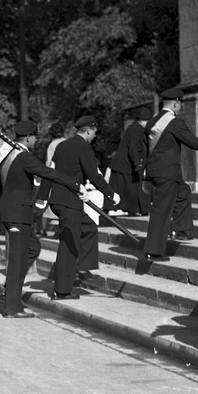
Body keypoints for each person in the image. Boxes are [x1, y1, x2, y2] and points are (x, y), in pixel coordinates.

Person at [0, 120, 94, 318]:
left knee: (32, 249)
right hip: (18, 214)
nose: (36, 140)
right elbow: (49, 173)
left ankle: (11, 288)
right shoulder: (23, 157)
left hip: (12, 212)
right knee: (18, 258)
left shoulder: (7, 156)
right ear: (28, 137)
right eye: (35, 137)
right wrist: (76, 185)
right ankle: (12, 307)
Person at [38, 115, 118, 300]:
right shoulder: (83, 147)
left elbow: (50, 171)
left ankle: (82, 268)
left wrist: (42, 197)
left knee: (89, 227)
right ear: (88, 130)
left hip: (59, 201)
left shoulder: (62, 146)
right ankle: (62, 290)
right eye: (94, 132)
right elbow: (94, 176)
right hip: (69, 202)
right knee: (67, 244)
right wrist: (111, 194)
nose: (95, 136)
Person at [142, 88, 198, 261]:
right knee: (161, 211)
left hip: (157, 171)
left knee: (183, 191)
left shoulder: (152, 122)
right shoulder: (174, 122)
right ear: (176, 103)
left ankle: (181, 231)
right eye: (180, 105)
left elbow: (146, 150)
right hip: (167, 173)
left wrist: (145, 176)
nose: (180, 108)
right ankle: (153, 251)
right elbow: (193, 142)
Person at [108, 104, 151, 217]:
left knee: (127, 192)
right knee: (132, 190)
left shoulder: (135, 127)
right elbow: (134, 150)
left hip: (125, 166)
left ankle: (137, 210)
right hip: (127, 166)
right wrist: (139, 165)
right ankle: (141, 210)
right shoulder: (137, 130)